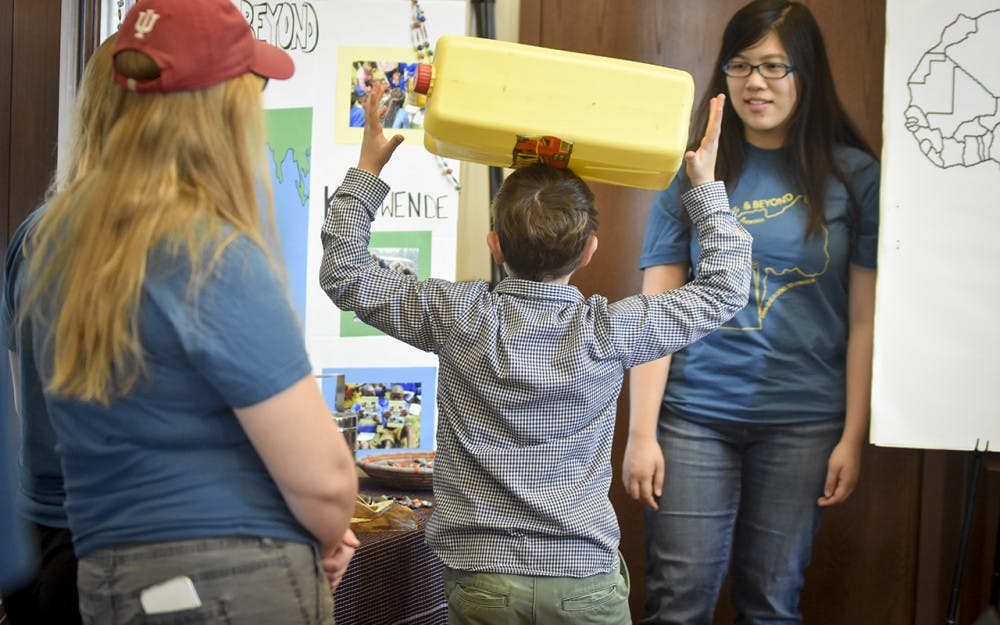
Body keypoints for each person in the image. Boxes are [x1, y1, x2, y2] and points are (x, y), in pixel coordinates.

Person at [320, 80, 752, 624]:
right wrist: (705, 185)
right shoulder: (612, 330)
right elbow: (726, 286)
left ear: (494, 244)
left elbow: (345, 274)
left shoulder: (457, 316)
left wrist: (367, 171)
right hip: (585, 586)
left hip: (483, 583)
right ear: (590, 250)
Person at [13, 0, 359, 623]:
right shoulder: (210, 253)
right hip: (232, 582)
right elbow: (326, 481)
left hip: (110, 577)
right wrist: (330, 540)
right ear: (220, 111)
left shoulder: (52, 242)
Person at [623, 1, 880, 623]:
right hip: (693, 419)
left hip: (804, 422)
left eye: (773, 66)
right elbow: (654, 310)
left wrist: (853, 433)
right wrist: (640, 432)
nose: (754, 83)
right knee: (676, 603)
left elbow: (868, 319)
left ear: (806, 74)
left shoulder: (856, 178)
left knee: (771, 604)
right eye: (739, 66)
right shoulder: (690, 172)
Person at [1, 33, 123, 625]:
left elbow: (18, 378)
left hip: (35, 526)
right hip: (107, 541)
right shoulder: (152, 243)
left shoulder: (34, 232)